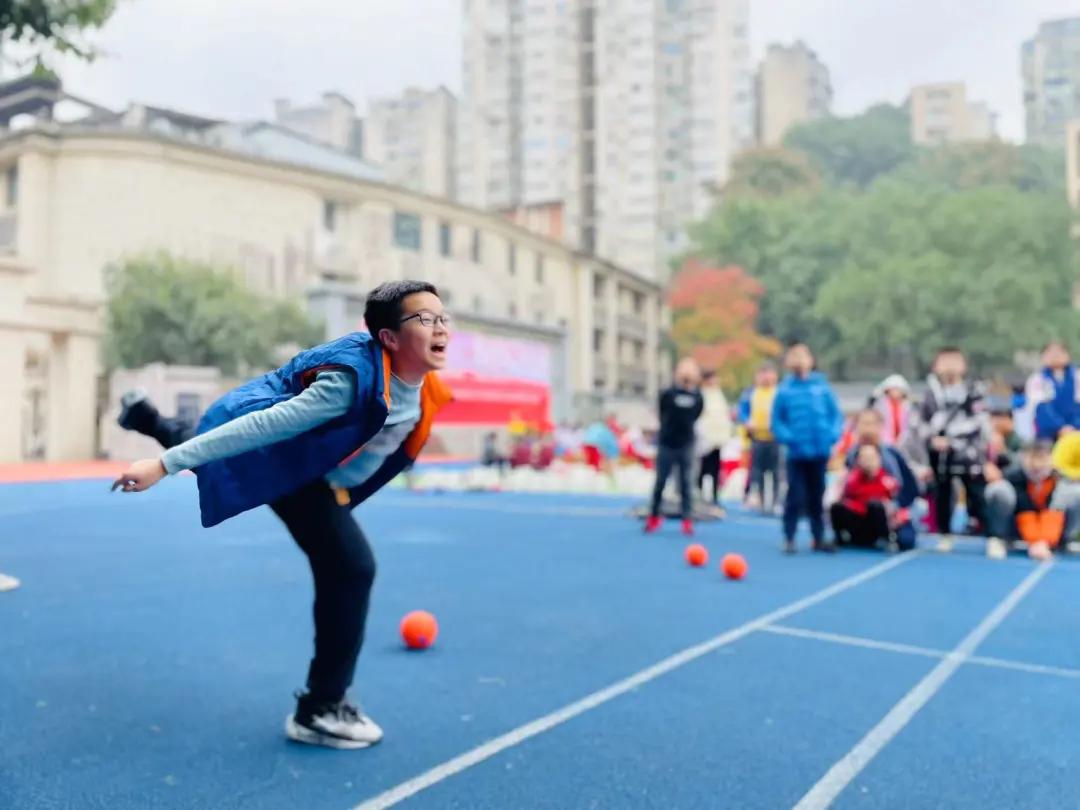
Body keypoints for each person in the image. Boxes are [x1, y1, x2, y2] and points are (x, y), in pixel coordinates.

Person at [112, 280, 453, 750]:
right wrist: (164, 466)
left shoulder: (422, 381)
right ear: (389, 338)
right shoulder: (349, 383)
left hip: (324, 477)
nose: (440, 328)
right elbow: (260, 427)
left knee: (339, 559)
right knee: (351, 567)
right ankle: (319, 709)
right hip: (296, 469)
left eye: (442, 318)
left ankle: (147, 418)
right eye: (425, 319)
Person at [771, 344, 843, 554]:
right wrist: (790, 438)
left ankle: (818, 536)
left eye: (803, 356)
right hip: (796, 453)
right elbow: (777, 421)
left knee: (817, 495)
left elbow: (836, 416)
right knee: (795, 494)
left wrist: (831, 435)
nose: (799, 360)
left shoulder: (822, 388)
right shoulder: (784, 390)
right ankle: (789, 536)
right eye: (794, 356)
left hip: (819, 451)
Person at [918, 347, 990, 550]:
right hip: (940, 455)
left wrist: (953, 437)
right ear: (935, 366)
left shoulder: (973, 391)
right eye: (944, 361)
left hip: (968, 453)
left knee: (976, 494)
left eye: (954, 361)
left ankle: (993, 536)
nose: (949, 365)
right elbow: (921, 423)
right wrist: (933, 439)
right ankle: (945, 534)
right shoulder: (931, 393)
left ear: (964, 366)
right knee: (942, 494)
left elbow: (979, 421)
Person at [984, 439, 1080, 560]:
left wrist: (1045, 542)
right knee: (999, 489)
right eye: (1031, 458)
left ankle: (1063, 541)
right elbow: (1025, 509)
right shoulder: (1014, 476)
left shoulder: (1058, 480)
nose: (1036, 465)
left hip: (1049, 527)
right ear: (1023, 458)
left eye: (1042, 459)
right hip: (1018, 526)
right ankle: (998, 538)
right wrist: (1035, 543)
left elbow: (1054, 511)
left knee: (1076, 492)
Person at [840, 408, 920, 551]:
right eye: (864, 424)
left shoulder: (892, 454)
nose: (867, 429)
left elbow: (909, 487)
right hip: (861, 510)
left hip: (889, 509)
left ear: (880, 426)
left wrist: (896, 508)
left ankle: (888, 533)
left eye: (872, 424)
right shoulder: (852, 455)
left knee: (906, 541)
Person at [645, 358, 704, 536]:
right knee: (661, 481)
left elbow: (696, 415)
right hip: (667, 443)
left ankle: (687, 519)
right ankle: (654, 516)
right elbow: (661, 412)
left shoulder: (697, 396)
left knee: (686, 483)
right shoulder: (668, 394)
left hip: (686, 444)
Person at [830, 444, 902, 549]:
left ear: (878, 459)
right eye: (864, 457)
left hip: (876, 523)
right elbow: (844, 498)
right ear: (858, 460)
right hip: (858, 520)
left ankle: (885, 539)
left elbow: (895, 505)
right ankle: (840, 537)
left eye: (871, 458)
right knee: (836, 506)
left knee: (875, 505)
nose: (868, 461)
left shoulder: (887, 480)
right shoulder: (851, 479)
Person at [738, 362, 781, 512]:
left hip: (775, 438)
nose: (766, 377)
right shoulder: (751, 393)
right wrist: (747, 422)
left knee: (776, 471)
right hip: (757, 438)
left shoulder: (779, 393)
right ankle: (761, 499)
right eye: (763, 374)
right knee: (758, 470)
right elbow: (742, 412)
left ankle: (776, 500)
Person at [1025, 341, 1080, 441]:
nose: (1055, 356)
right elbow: (1041, 407)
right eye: (1050, 353)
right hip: (1049, 435)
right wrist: (1060, 428)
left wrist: (1074, 427)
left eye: (1059, 352)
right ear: (1043, 357)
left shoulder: (1077, 377)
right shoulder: (1037, 379)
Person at [696, 370, 732, 505]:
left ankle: (715, 495)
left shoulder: (718, 395)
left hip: (717, 439)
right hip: (704, 439)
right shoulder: (701, 394)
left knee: (715, 470)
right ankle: (699, 494)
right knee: (702, 469)